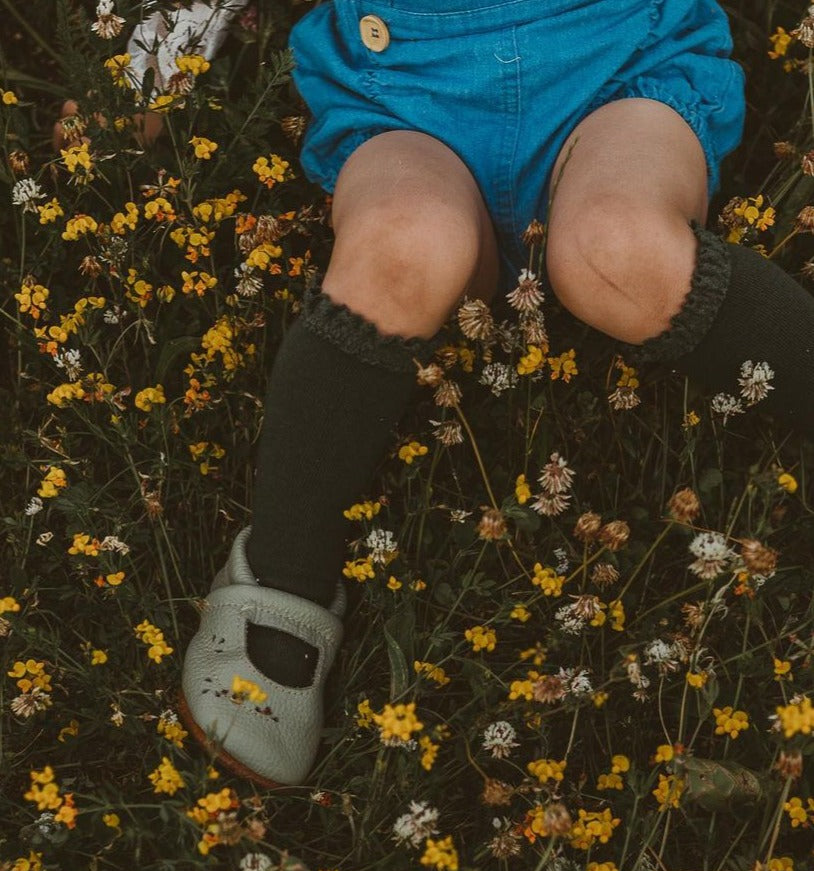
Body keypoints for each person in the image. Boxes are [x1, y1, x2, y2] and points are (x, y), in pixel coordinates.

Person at [68, 2, 814, 788]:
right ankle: (283, 577)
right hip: (405, 93)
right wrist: (148, 56)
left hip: (614, 71)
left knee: (618, 247)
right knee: (406, 243)